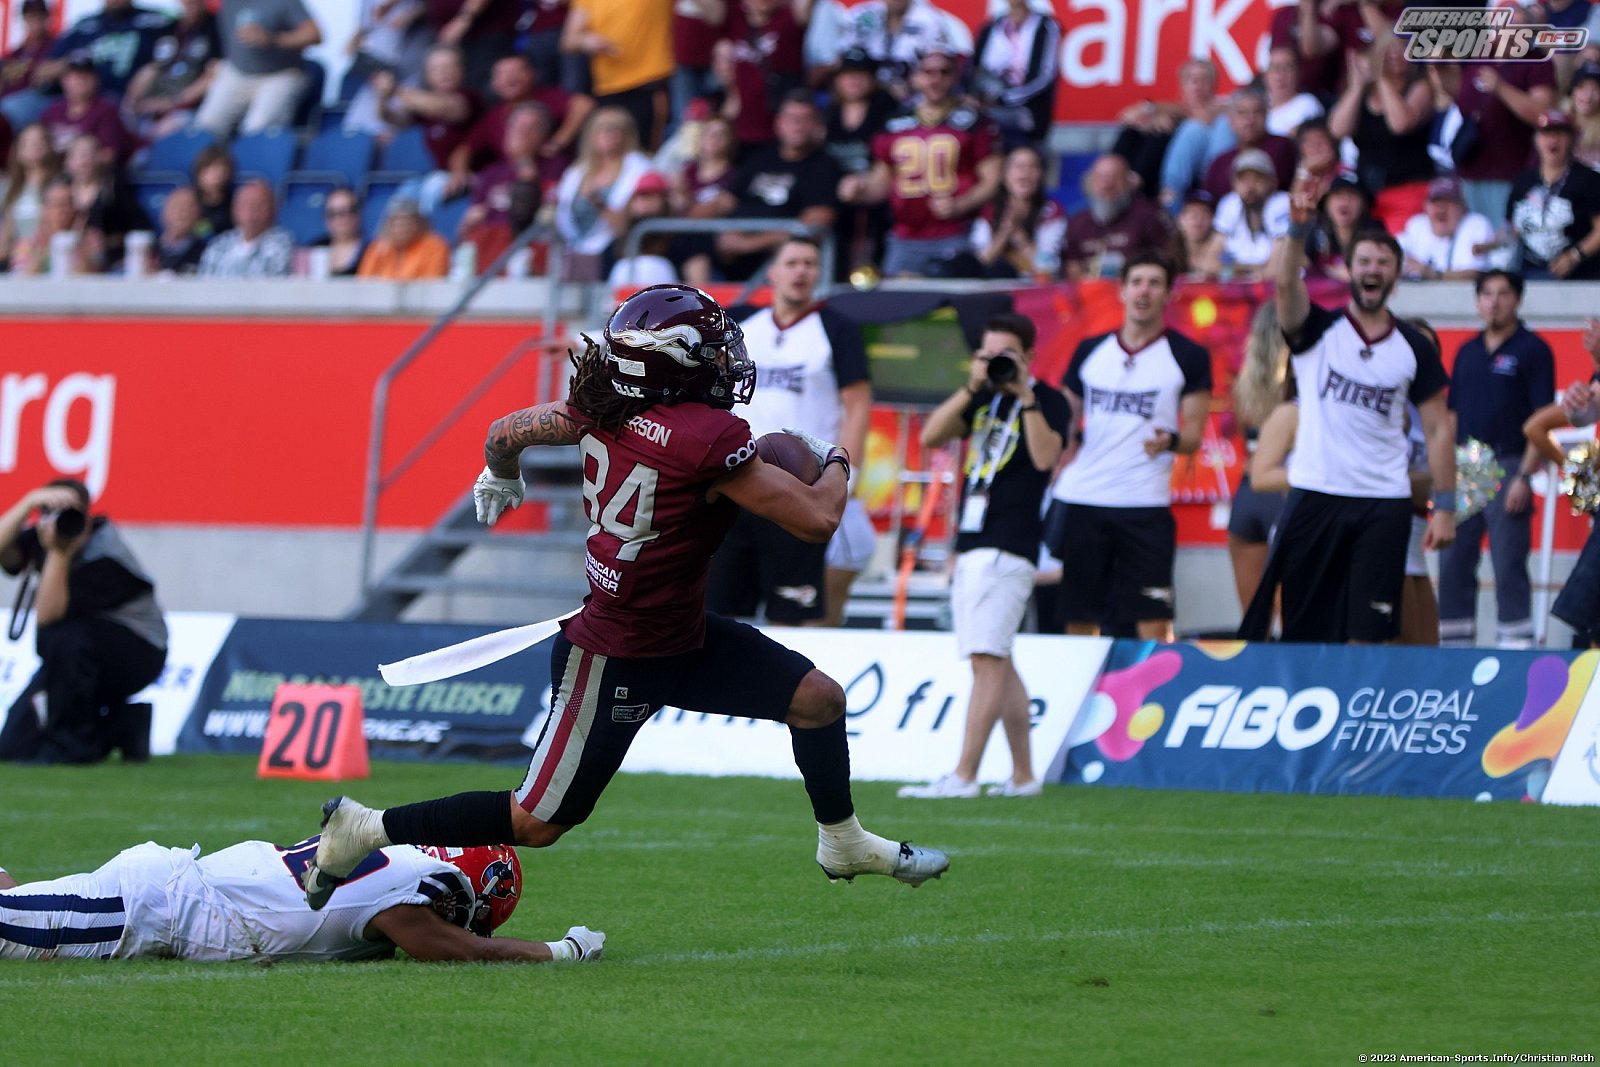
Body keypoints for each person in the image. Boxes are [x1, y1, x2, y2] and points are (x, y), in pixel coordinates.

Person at [298, 284, 948, 909]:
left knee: (817, 700)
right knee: (535, 822)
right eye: (711, 350)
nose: (725, 360)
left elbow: (506, 429)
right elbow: (818, 520)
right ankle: (364, 828)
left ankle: (843, 841)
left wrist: (500, 472)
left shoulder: (599, 406)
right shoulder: (704, 438)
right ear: (672, 366)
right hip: (615, 653)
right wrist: (836, 458)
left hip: (682, 635)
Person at [1253, 172, 1456, 644]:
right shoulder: (1317, 330)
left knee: (1370, 634)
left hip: (1383, 502)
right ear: (1348, 270)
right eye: (1364, 260)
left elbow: (1439, 429)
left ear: (1396, 276)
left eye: (1384, 262)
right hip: (1315, 493)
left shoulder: (1414, 347)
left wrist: (1445, 505)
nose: (1373, 269)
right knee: (1304, 631)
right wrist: (1298, 230)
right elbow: (1284, 286)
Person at [899, 311, 1066, 799]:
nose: (996, 363)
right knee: (999, 659)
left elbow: (1046, 457)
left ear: (1029, 356)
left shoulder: (1048, 400)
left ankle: (964, 775)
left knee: (986, 659)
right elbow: (931, 435)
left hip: (1011, 543)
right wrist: (973, 386)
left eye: (1005, 354)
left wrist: (1026, 395)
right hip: (974, 540)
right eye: (987, 354)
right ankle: (1024, 776)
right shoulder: (982, 397)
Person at [0, 837, 605, 964]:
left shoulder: (390, 851)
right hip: (155, 909)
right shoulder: (418, 888)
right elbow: (459, 951)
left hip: (163, 887)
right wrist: (562, 950)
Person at [1043, 253, 1212, 643]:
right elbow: (1064, 424)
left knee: (1153, 621)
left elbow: (1193, 437)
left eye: (1154, 283)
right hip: (1083, 499)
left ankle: (1152, 684)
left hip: (1144, 503)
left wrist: (1170, 441)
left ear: (1169, 294)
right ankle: (1085, 682)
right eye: (1136, 282)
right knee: (1079, 618)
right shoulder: (1090, 350)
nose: (1144, 291)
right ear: (1121, 291)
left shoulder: (1188, 356)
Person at [707, 237, 872, 626]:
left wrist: (848, 473)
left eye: (810, 264)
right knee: (719, 615)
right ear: (773, 273)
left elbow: (858, 404)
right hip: (737, 479)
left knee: (795, 616)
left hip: (800, 486)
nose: (801, 271)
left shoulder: (837, 328)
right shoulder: (740, 323)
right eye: (793, 262)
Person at [0, 479, 166, 765]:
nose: (62, 519)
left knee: (62, 636)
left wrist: (59, 553)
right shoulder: (47, 533)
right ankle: (125, 723)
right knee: (12, 747)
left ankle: (69, 747)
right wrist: (29, 501)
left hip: (138, 653)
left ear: (87, 515)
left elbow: (48, 618)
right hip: (76, 658)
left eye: (72, 512)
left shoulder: (105, 556)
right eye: (50, 511)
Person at [1437, 270, 1553, 649]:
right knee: (1453, 562)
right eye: (1486, 294)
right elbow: (1452, 417)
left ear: (1517, 300)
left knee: (1508, 563)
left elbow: (1543, 418)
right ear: (1477, 302)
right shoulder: (1467, 351)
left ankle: (1514, 649)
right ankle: (1454, 651)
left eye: (1503, 294)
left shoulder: (1533, 349)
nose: (1494, 302)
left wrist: (1524, 476)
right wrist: (1446, 474)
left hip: (1509, 461)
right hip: (1465, 466)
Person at [839, 51, 1000, 279]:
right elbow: (883, 181)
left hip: (955, 234)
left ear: (955, 77)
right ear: (915, 77)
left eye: (944, 72)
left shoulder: (974, 123)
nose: (935, 79)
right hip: (904, 237)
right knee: (897, 297)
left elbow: (992, 179)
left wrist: (961, 204)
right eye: (928, 72)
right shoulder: (894, 123)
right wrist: (860, 188)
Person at [704, 91, 841, 282]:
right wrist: (689, 222)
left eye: (805, 119)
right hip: (732, 252)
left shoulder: (825, 165)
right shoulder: (760, 159)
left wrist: (749, 244)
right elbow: (724, 202)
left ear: (817, 125)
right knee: (692, 244)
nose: (797, 125)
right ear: (778, 123)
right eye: (791, 118)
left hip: (777, 259)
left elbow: (817, 222)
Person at [1327, 39, 1435, 235]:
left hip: (1408, 191)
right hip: (1369, 195)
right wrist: (1356, 87)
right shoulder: (1363, 94)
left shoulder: (1419, 87)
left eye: (1401, 50)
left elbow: (1400, 124)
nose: (1395, 55)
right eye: (1388, 51)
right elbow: (1337, 130)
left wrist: (1382, 79)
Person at [1228, 302, 1289, 618]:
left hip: (1248, 495)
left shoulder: (1244, 385)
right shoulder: (1303, 383)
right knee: (1295, 622)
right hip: (1285, 491)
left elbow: (1246, 437)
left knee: (1253, 621)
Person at [192, 0, 322, 139]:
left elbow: (314, 34)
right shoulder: (227, 3)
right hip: (237, 71)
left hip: (280, 75)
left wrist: (273, 39)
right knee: (204, 129)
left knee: (258, 130)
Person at [562, 0, 673, 150]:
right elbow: (569, 40)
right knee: (610, 150)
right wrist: (586, 41)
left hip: (650, 82)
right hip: (607, 86)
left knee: (644, 150)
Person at [551, 107, 652, 268]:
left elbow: (626, 225)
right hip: (573, 248)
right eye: (602, 129)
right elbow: (561, 214)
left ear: (627, 134)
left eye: (614, 129)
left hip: (618, 251)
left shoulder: (639, 167)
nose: (608, 134)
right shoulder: (577, 171)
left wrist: (598, 203)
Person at [1507, 109, 1600, 281]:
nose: (1553, 140)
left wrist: (1575, 255)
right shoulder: (1523, 181)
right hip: (1530, 272)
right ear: (1536, 139)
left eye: (1560, 133)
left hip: (1581, 276)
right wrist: (1490, 244)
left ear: (1572, 139)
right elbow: (1513, 228)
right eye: (1546, 133)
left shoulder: (1590, 180)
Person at [1059, 152, 1170, 282]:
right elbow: (1072, 270)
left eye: (1115, 177)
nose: (1107, 184)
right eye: (1101, 177)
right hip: (1091, 291)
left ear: (1128, 182)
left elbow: (1165, 260)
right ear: (1091, 183)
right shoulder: (1078, 222)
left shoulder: (1149, 216)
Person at [120, 0, 222, 141]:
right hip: (153, 103)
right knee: (121, 117)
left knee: (166, 129)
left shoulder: (216, 28)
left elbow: (212, 76)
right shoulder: (169, 28)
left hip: (190, 108)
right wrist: (133, 99)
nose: (189, 3)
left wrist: (171, 102)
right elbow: (150, 68)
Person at [969, 0, 1059, 148]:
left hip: (1025, 112)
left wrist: (1004, 99)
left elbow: (1044, 77)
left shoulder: (1045, 26)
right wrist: (975, 98)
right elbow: (975, 70)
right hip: (987, 107)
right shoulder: (991, 27)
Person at [969, 143, 1065, 280]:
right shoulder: (989, 211)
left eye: (1033, 167)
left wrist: (1019, 236)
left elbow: (1048, 268)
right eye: (1018, 166)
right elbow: (980, 263)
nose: (1025, 173)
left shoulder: (1052, 211)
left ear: (1041, 174)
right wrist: (1004, 233)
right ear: (1004, 175)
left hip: (1037, 287)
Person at [1200, 87, 1297, 203]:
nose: (1250, 120)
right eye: (1242, 113)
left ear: (1266, 115)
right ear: (1231, 120)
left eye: (1257, 112)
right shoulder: (1219, 163)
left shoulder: (1281, 147)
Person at [1398, 176, 1496, 282]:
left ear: (1462, 207)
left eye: (1449, 202)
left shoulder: (1476, 224)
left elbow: (1477, 274)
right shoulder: (1417, 225)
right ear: (1425, 206)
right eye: (1435, 202)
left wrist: (1433, 274)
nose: (1441, 208)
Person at [1212, 148, 1289, 281]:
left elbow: (1275, 270)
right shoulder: (1230, 203)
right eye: (1244, 180)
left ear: (1273, 182)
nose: (1250, 187)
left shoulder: (1283, 203)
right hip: (1240, 288)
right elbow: (1209, 263)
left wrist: (1232, 269)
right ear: (1234, 184)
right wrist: (1254, 270)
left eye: (1257, 179)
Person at [197, 178, 294, 278]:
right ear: (234, 209)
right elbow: (203, 281)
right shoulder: (219, 245)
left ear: (274, 209)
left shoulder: (284, 244)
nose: (251, 210)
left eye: (260, 204)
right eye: (245, 203)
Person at [0, 122, 62, 270]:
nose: (34, 145)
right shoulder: (9, 188)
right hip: (17, 259)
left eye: (39, 140)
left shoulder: (58, 183)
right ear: (18, 150)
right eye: (27, 142)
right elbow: (6, 233)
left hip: (50, 257)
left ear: (49, 146)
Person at [356, 196, 450, 280]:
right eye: (396, 221)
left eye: (408, 220)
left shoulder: (434, 246)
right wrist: (381, 255)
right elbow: (363, 282)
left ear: (419, 223)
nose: (402, 227)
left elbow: (432, 282)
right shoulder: (378, 248)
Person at [308, 186, 367, 277]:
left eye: (344, 212)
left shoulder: (370, 251)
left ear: (358, 214)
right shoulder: (315, 248)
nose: (338, 219)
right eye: (332, 213)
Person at [152, 184, 207, 275]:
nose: (182, 212)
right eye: (176, 206)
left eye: (189, 207)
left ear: (199, 214)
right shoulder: (147, 249)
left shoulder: (206, 254)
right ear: (163, 213)